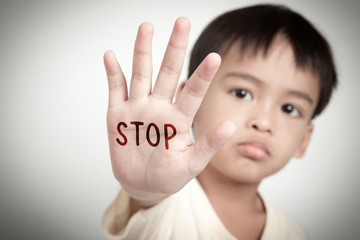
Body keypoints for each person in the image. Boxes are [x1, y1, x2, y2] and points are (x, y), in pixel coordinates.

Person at [101, 4, 337, 240]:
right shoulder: (159, 202)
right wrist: (144, 193)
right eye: (242, 93)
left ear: (304, 140)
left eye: (289, 108)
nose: (263, 122)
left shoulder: (295, 234)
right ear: (191, 103)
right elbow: (148, 206)